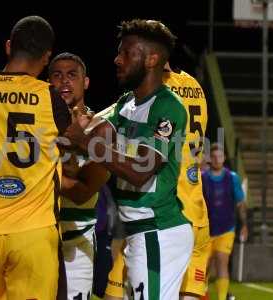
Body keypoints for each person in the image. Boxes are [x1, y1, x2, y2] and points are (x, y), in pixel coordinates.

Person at [65, 19, 193, 300]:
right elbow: (94, 133)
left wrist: (83, 140)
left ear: (152, 59)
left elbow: (140, 171)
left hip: (159, 232)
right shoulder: (127, 104)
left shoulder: (167, 108)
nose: (117, 59)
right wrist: (71, 116)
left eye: (126, 53)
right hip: (138, 234)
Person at [0, 16, 71, 300]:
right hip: (33, 234)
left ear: (9, 47)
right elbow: (75, 148)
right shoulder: (50, 97)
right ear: (46, 57)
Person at [103, 62, 212, 300]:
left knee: (116, 290)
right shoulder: (194, 86)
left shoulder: (155, 94)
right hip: (197, 214)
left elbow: (103, 124)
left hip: (163, 213)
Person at [48, 52, 109, 299]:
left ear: (86, 82)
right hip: (36, 238)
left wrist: (40, 176)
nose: (64, 82)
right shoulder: (36, 123)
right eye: (57, 75)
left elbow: (84, 192)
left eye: (72, 75)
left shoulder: (102, 128)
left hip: (78, 242)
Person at [202, 143, 248, 300]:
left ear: (224, 158)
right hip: (206, 230)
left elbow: (240, 203)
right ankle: (203, 295)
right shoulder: (203, 178)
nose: (217, 159)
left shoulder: (232, 178)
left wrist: (244, 225)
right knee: (203, 266)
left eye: (219, 156)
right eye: (214, 157)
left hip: (226, 229)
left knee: (222, 261)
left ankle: (222, 298)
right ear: (210, 159)